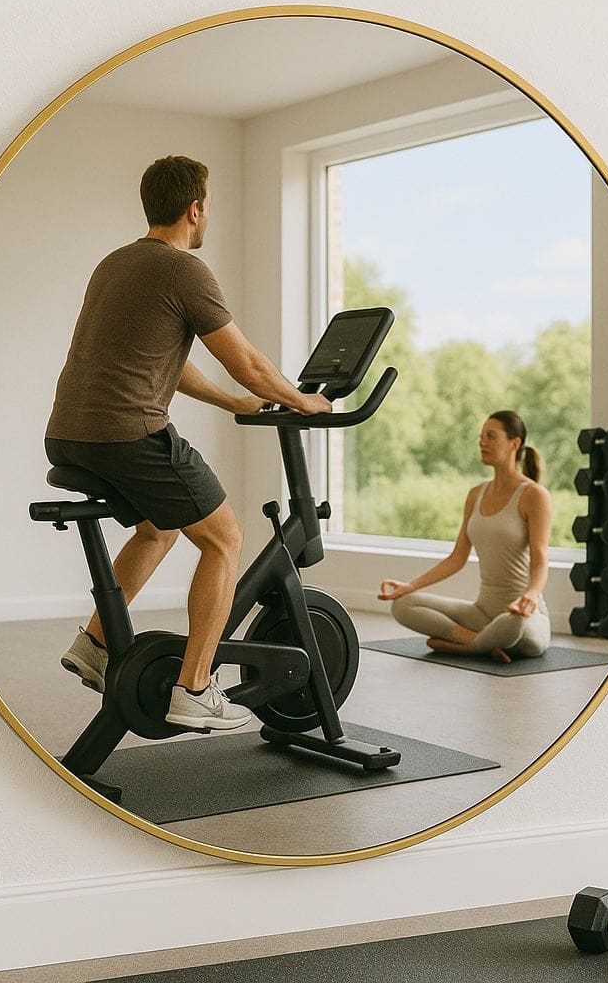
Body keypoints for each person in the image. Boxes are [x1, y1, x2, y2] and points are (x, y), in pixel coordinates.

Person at [44, 155, 331, 731]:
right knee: (225, 537)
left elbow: (162, 364)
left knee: (161, 524)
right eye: (208, 206)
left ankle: (95, 644)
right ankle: (195, 689)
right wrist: (306, 401)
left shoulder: (115, 264)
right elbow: (247, 360)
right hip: (128, 434)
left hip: (70, 437)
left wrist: (233, 403)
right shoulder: (183, 271)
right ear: (195, 208)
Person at [377, 410, 552, 662]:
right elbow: (457, 558)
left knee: (513, 625)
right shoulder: (476, 494)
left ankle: (466, 646)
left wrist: (531, 596)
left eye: (491, 436)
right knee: (403, 604)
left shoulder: (534, 495)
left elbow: (540, 558)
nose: (482, 442)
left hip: (523, 615)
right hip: (481, 613)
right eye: (481, 436)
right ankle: (475, 642)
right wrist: (409, 586)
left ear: (515, 443)